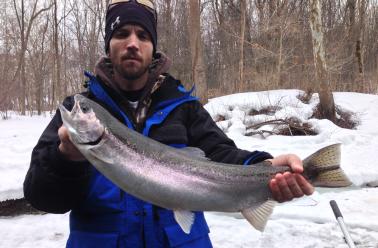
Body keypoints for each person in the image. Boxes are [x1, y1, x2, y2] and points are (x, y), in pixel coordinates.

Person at [23, 1, 314, 247]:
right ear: (108, 45)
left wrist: (267, 166)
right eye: (122, 33)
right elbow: (42, 198)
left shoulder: (183, 106)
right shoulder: (80, 109)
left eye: (142, 36)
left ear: (153, 47)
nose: (133, 43)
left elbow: (224, 155)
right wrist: (66, 160)